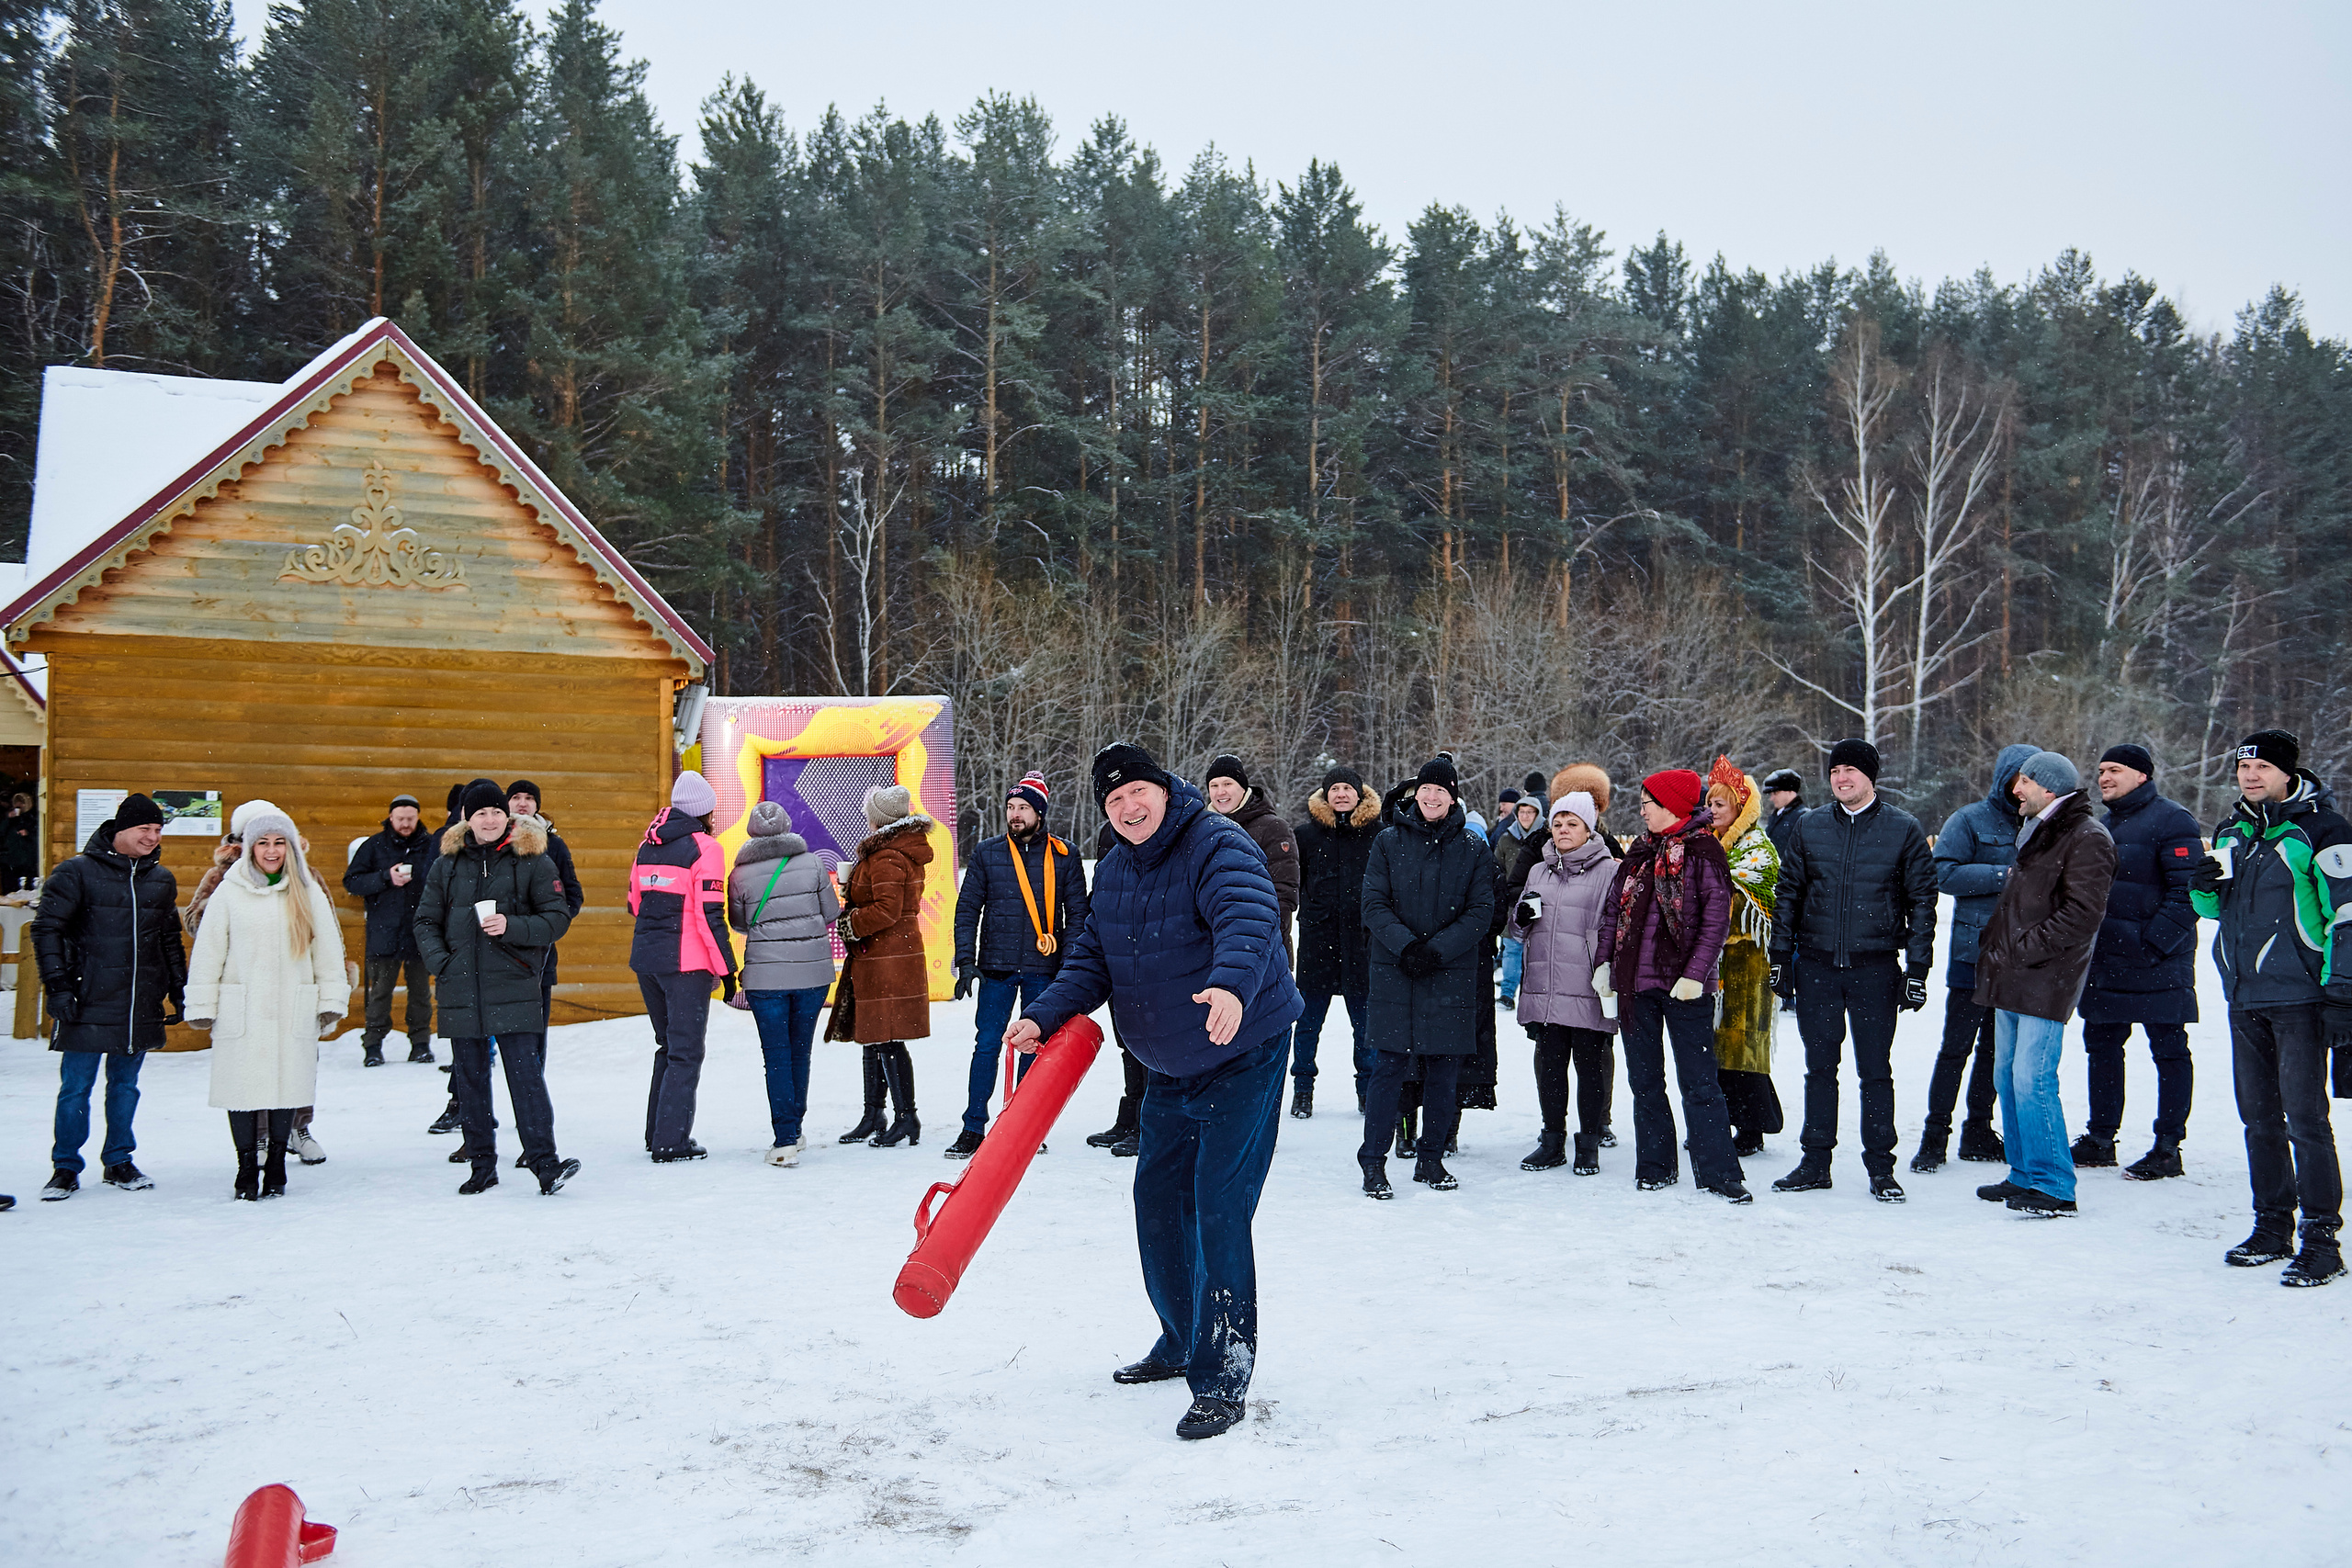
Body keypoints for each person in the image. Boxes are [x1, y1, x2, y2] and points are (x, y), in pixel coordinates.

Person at [1005, 742, 1299, 1441]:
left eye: (1138, 792)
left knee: (1218, 1205)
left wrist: (1230, 982)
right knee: (1157, 1202)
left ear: (1163, 789)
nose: (1129, 808)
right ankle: (1179, 1336)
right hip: (1168, 1065)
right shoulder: (1111, 867)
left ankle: (1223, 1375)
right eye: (1114, 801)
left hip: (1243, 1047)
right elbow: (1092, 958)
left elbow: (1249, 916)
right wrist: (1044, 1014)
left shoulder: (1215, 842)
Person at [2190, 728, 2352, 1286]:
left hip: (2304, 998)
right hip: (2246, 995)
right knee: (2258, 1118)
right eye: (2243, 768)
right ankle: (2271, 1225)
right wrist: (2201, 884)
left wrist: (2342, 994)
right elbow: (2217, 908)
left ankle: (2322, 1239)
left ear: (2288, 772)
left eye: (2262, 767)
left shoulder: (2323, 829)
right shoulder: (2233, 829)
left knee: (2306, 1121)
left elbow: (2347, 918)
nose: (2250, 776)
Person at [1769, 739, 1936, 1203]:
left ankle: (1881, 1167)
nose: (1841, 779)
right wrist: (1781, 958)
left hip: (1875, 968)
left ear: (1870, 776)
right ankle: (1815, 1161)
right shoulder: (1810, 826)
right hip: (1818, 967)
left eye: (1851, 771)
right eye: (1835, 770)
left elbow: (1923, 904)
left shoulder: (1903, 829)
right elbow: (1789, 895)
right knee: (1818, 1068)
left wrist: (1917, 969)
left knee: (1875, 1071)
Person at [1592, 770, 1748, 1202]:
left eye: (1648, 802)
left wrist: (1695, 975)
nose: (1641, 810)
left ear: (1672, 806)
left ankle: (1719, 1172)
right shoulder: (1639, 852)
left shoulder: (1704, 852)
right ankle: (1656, 1166)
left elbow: (1716, 922)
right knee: (1645, 1080)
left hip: (1685, 987)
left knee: (1699, 1082)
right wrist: (1605, 963)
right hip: (1635, 984)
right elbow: (1613, 914)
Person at [1971, 751, 2116, 1218]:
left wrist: (2025, 948)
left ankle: (2055, 1184)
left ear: (2050, 788)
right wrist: (1999, 946)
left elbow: (2082, 914)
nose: (2016, 790)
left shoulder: (2087, 835)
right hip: (2011, 973)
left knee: (2032, 1080)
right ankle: (2024, 1174)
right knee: (2006, 1077)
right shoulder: (2038, 827)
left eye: (2026, 782)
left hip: (2046, 976)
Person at [417, 779, 579, 1195]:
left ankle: (545, 1164)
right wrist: (443, 964)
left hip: (515, 981)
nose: (489, 820)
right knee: (470, 1081)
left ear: (507, 815)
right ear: (467, 819)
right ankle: (482, 1165)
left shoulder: (532, 858)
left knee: (526, 1079)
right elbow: (425, 922)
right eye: (480, 813)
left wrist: (513, 927)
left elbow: (556, 917)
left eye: (495, 812)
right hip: (460, 986)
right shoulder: (446, 864)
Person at [183, 811, 347, 1200]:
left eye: (279, 842)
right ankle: (245, 1170)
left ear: (289, 847)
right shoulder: (229, 890)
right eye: (263, 842)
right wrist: (204, 1002)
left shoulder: (306, 891)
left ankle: (276, 1166)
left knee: (287, 1087)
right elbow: (209, 951)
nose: (271, 850)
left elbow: (327, 950)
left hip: (294, 1005)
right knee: (240, 1090)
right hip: (242, 1006)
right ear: (249, 847)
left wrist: (329, 1001)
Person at [30, 793, 185, 1200]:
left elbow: (169, 939)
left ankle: (118, 1161)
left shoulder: (160, 879)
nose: (152, 837)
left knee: (124, 1087)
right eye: (143, 829)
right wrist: (58, 986)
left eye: (157, 830)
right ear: (120, 830)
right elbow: (47, 930)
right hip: (86, 1000)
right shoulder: (76, 873)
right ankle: (65, 1167)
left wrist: (179, 988)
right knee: (76, 1087)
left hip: (138, 1001)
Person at [1359, 756, 1495, 1195]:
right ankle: (1374, 1162)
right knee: (1389, 1070)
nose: (1432, 797)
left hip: (1449, 973)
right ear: (1416, 793)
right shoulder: (1387, 841)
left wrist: (1437, 949)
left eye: (1441, 790)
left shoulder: (1474, 847)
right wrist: (1408, 946)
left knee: (1443, 1071)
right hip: (1396, 970)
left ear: (1453, 796)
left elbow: (1482, 910)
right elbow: (1373, 904)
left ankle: (1430, 1159)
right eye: (1426, 789)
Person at [2072, 744, 2201, 1179]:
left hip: (2158, 961)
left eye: (2115, 770)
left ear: (2142, 775)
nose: (2104, 777)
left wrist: (2152, 944)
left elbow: (2190, 894)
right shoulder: (2100, 825)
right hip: (2106, 960)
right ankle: (2100, 1139)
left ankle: (2168, 1147)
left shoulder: (2173, 820)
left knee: (2168, 1050)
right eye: (2102, 770)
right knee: (2102, 1049)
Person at [1912, 744, 2038, 1173]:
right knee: (1955, 1049)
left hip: (2022, 959)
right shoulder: (1969, 820)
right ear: (2004, 777)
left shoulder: (2044, 825)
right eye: (2018, 778)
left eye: (2031, 780)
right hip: (1973, 954)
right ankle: (1934, 1137)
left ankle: (1979, 1131)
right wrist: (2005, 876)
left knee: (1996, 1053)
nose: (2022, 789)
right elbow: (1942, 872)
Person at [950, 773, 1089, 1158]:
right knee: (987, 1045)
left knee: (1034, 1049)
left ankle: (1024, 1125)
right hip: (996, 967)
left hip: (1044, 969)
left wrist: (1071, 968)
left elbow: (1078, 915)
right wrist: (965, 960)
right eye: (1011, 807)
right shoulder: (987, 853)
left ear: (1039, 813)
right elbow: (967, 910)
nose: (1015, 814)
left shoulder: (1065, 855)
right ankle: (973, 1127)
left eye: (1023, 808)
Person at [629, 770, 738, 1162]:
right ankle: (671, 1141)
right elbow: (711, 915)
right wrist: (727, 970)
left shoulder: (647, 845)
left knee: (668, 1047)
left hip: (647, 960)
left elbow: (634, 903)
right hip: (686, 965)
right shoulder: (704, 847)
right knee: (686, 1052)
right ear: (707, 810)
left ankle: (657, 1132)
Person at [1507, 792, 1618, 1174]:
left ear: (1589, 828)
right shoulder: (1539, 869)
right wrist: (1521, 916)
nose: (1564, 831)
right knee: (1550, 1066)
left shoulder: (1609, 870)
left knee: (1590, 1067)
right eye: (1557, 824)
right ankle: (1551, 1140)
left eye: (1572, 824)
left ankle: (1589, 1145)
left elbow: (1615, 928)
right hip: (1546, 983)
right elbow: (1518, 930)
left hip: (1587, 984)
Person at [729, 800, 841, 1167]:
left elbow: (740, 924)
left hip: (766, 975)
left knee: (776, 1057)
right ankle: (796, 1129)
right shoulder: (812, 864)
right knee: (800, 1052)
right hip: (812, 975)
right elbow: (831, 912)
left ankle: (785, 1139)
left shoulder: (740, 874)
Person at [838, 782, 935, 1148]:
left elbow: (887, 910)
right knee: (874, 1036)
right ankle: (873, 1114)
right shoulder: (892, 852)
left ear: (879, 818)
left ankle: (906, 1117)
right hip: (887, 954)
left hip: (888, 955)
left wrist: (851, 922)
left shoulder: (887, 856)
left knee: (889, 1038)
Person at [1292, 765, 1382, 1117]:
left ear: (1359, 795)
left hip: (1362, 944)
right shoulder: (1306, 835)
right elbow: (1293, 880)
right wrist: (1313, 906)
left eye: (1347, 788)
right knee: (1308, 1024)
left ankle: (1366, 1089)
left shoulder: (1379, 834)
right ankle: (1302, 1089)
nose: (1341, 794)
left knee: (1365, 1026)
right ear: (1325, 796)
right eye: (1335, 789)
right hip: (1318, 942)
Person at [1705, 759, 1783, 1156]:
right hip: (1713, 964)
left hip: (1748, 964)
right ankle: (1720, 1120)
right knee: (1715, 1046)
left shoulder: (1757, 848)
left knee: (1745, 1044)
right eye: (1711, 803)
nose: (1714, 810)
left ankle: (1753, 1126)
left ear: (1742, 808)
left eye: (1721, 804)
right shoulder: (1710, 843)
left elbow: (1747, 899)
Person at [343, 794, 439, 1066]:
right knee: (379, 994)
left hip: (420, 932)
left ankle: (420, 1044)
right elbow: (352, 881)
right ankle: (373, 1046)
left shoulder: (431, 846)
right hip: (383, 932)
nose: (406, 824)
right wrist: (386, 877)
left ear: (418, 817)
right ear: (390, 818)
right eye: (400, 819)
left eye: (410, 819)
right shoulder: (374, 846)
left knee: (420, 993)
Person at [506, 781, 582, 1026]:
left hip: (540, 951)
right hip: (498, 950)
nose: (522, 803)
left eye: (529, 798)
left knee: (534, 1030)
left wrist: (550, 925)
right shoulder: (492, 841)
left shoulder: (554, 845)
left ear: (537, 804)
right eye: (516, 797)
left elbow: (573, 895)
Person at [1493, 791, 1544, 1009]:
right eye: (1521, 812)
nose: (1525, 816)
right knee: (1512, 948)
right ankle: (1507, 993)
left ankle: (1532, 994)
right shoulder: (1507, 838)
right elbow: (1497, 868)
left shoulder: (1545, 838)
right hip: (1512, 901)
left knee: (1536, 951)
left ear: (1537, 814)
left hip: (1540, 903)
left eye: (1529, 812)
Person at [1760, 769, 1805, 863]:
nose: (1771, 798)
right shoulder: (1776, 816)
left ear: (1790, 791)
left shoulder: (1803, 817)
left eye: (1775, 793)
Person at [4, 790, 37, 887]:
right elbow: (2, 832)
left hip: (28, 858)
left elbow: (38, 837)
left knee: (27, 884)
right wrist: (8, 818)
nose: (19, 805)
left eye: (21, 802)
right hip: (13, 857)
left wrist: (28, 834)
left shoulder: (33, 817)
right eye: (17, 802)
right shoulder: (11, 817)